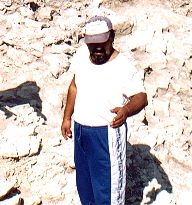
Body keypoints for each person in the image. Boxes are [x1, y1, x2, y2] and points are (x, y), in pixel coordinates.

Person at [61, 16, 148, 205]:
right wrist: (67, 117)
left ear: (112, 37)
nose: (97, 48)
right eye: (92, 44)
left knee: (107, 193)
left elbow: (141, 96)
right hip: (81, 131)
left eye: (102, 42)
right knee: (85, 187)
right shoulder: (81, 55)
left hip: (106, 135)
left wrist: (126, 110)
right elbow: (74, 86)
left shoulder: (123, 66)